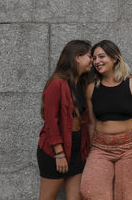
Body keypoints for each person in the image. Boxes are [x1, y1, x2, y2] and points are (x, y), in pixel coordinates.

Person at [80, 40, 132, 200]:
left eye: (101, 56)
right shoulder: (91, 88)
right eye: (94, 58)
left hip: (128, 148)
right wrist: (91, 151)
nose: (97, 61)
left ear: (114, 58)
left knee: (131, 195)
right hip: (100, 148)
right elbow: (92, 123)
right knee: (90, 190)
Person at [37, 40, 92, 200]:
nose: (92, 61)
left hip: (76, 150)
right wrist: (59, 154)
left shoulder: (81, 84)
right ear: (77, 57)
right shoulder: (56, 84)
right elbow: (50, 121)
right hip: (54, 151)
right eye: (89, 56)